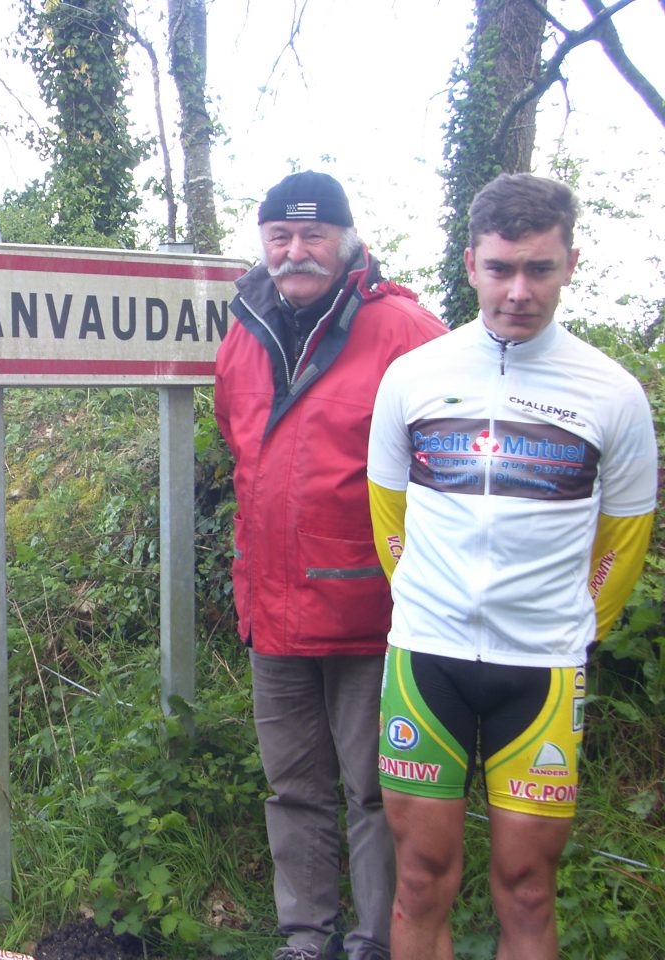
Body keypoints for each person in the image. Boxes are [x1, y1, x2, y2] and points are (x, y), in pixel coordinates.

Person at [367, 173, 657, 960]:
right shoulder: (414, 377)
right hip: (427, 656)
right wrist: (429, 603)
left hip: (543, 665)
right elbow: (388, 514)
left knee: (527, 885)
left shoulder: (614, 394)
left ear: (571, 263)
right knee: (423, 877)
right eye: (501, 268)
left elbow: (625, 537)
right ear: (470, 264)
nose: (519, 290)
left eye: (539, 268)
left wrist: (570, 625)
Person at [213, 171, 446, 960]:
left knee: (378, 791)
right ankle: (304, 938)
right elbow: (243, 449)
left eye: (313, 235)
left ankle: (376, 939)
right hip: (273, 611)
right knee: (293, 789)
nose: (295, 250)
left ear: (347, 240)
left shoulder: (407, 331)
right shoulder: (245, 330)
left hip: (372, 611)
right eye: (279, 235)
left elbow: (450, 467)